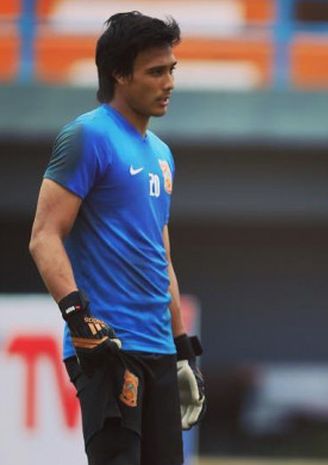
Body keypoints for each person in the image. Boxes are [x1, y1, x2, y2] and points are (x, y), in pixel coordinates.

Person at [28, 11, 205, 465]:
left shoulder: (162, 155)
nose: (168, 82)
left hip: (160, 352)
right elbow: (44, 236)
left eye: (171, 70)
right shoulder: (88, 136)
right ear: (120, 75)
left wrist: (183, 349)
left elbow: (159, 256)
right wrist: (77, 318)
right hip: (111, 352)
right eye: (155, 72)